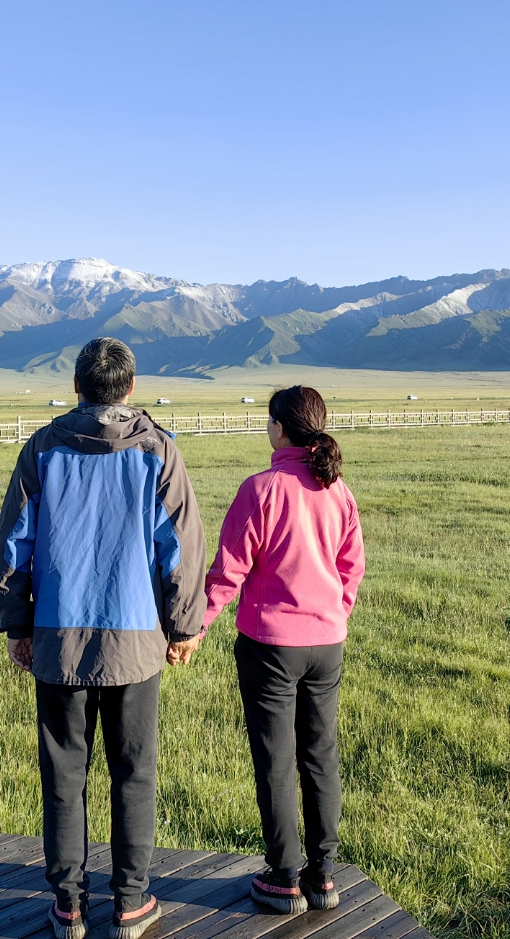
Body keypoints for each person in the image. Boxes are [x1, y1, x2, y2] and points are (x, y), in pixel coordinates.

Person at [0, 337, 207, 939]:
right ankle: (131, 902)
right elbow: (181, 547)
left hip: (57, 636)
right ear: (131, 388)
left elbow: (14, 543)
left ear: (76, 386)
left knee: (64, 776)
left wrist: (17, 623)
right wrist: (184, 626)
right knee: (134, 773)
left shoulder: (43, 448)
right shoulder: (158, 450)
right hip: (136, 642)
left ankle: (68, 905)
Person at [188, 385, 365, 915]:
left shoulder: (261, 489)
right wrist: (334, 614)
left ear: (280, 428)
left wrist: (193, 629)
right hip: (327, 644)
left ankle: (284, 877)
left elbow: (228, 572)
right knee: (320, 755)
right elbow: (351, 568)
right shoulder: (339, 491)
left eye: (269, 421)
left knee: (276, 759)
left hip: (270, 647)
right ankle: (324, 876)